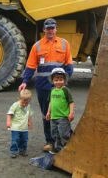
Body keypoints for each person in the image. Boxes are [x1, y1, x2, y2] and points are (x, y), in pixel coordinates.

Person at [18, 18, 73, 151]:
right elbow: (31, 66)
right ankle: (50, 141)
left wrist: (64, 83)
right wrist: (25, 81)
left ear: (56, 29)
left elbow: (69, 66)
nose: (50, 31)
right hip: (43, 87)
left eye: (52, 28)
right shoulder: (37, 46)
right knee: (47, 114)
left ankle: (64, 139)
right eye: (48, 28)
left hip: (59, 86)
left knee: (62, 112)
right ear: (44, 30)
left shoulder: (64, 44)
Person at [45, 68, 74, 154]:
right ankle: (58, 149)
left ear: (64, 80)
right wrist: (48, 112)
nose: (58, 82)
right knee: (55, 134)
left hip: (63, 117)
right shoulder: (52, 90)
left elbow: (71, 102)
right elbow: (51, 102)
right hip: (53, 117)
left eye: (61, 79)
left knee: (64, 134)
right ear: (52, 81)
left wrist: (71, 113)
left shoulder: (65, 90)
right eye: (56, 80)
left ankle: (67, 149)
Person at [6, 89, 33, 158]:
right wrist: (8, 122)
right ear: (20, 98)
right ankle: (14, 151)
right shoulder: (15, 105)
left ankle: (22, 150)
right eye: (23, 101)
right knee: (15, 139)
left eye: (27, 102)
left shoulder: (28, 106)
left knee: (24, 140)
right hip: (15, 127)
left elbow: (29, 115)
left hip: (24, 128)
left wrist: (29, 122)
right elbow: (9, 114)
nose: (25, 104)